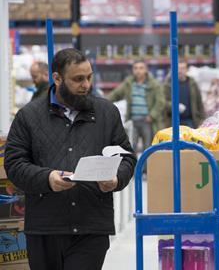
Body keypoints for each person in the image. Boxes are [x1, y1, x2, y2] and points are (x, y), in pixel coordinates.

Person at [4, 48, 137, 270]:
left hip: (91, 227)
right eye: (78, 79)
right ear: (57, 78)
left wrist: (116, 179)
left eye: (89, 77)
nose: (86, 85)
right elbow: (14, 165)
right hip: (45, 228)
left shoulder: (107, 113)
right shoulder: (28, 116)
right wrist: (47, 178)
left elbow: (127, 157)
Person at [108, 60, 165, 152]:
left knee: (148, 148)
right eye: (135, 68)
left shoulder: (154, 84)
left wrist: (152, 115)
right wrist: (103, 102)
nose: (138, 70)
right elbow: (116, 94)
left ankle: (147, 167)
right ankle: (133, 167)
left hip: (147, 121)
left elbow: (160, 102)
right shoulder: (129, 83)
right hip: (133, 121)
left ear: (146, 70)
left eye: (141, 68)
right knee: (131, 147)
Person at [164, 59, 205, 128]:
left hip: (190, 121)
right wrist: (174, 106)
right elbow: (163, 102)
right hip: (172, 122)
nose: (180, 71)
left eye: (182, 68)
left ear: (187, 70)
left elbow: (199, 102)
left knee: (190, 139)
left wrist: (202, 119)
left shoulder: (192, 84)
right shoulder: (168, 84)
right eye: (178, 68)